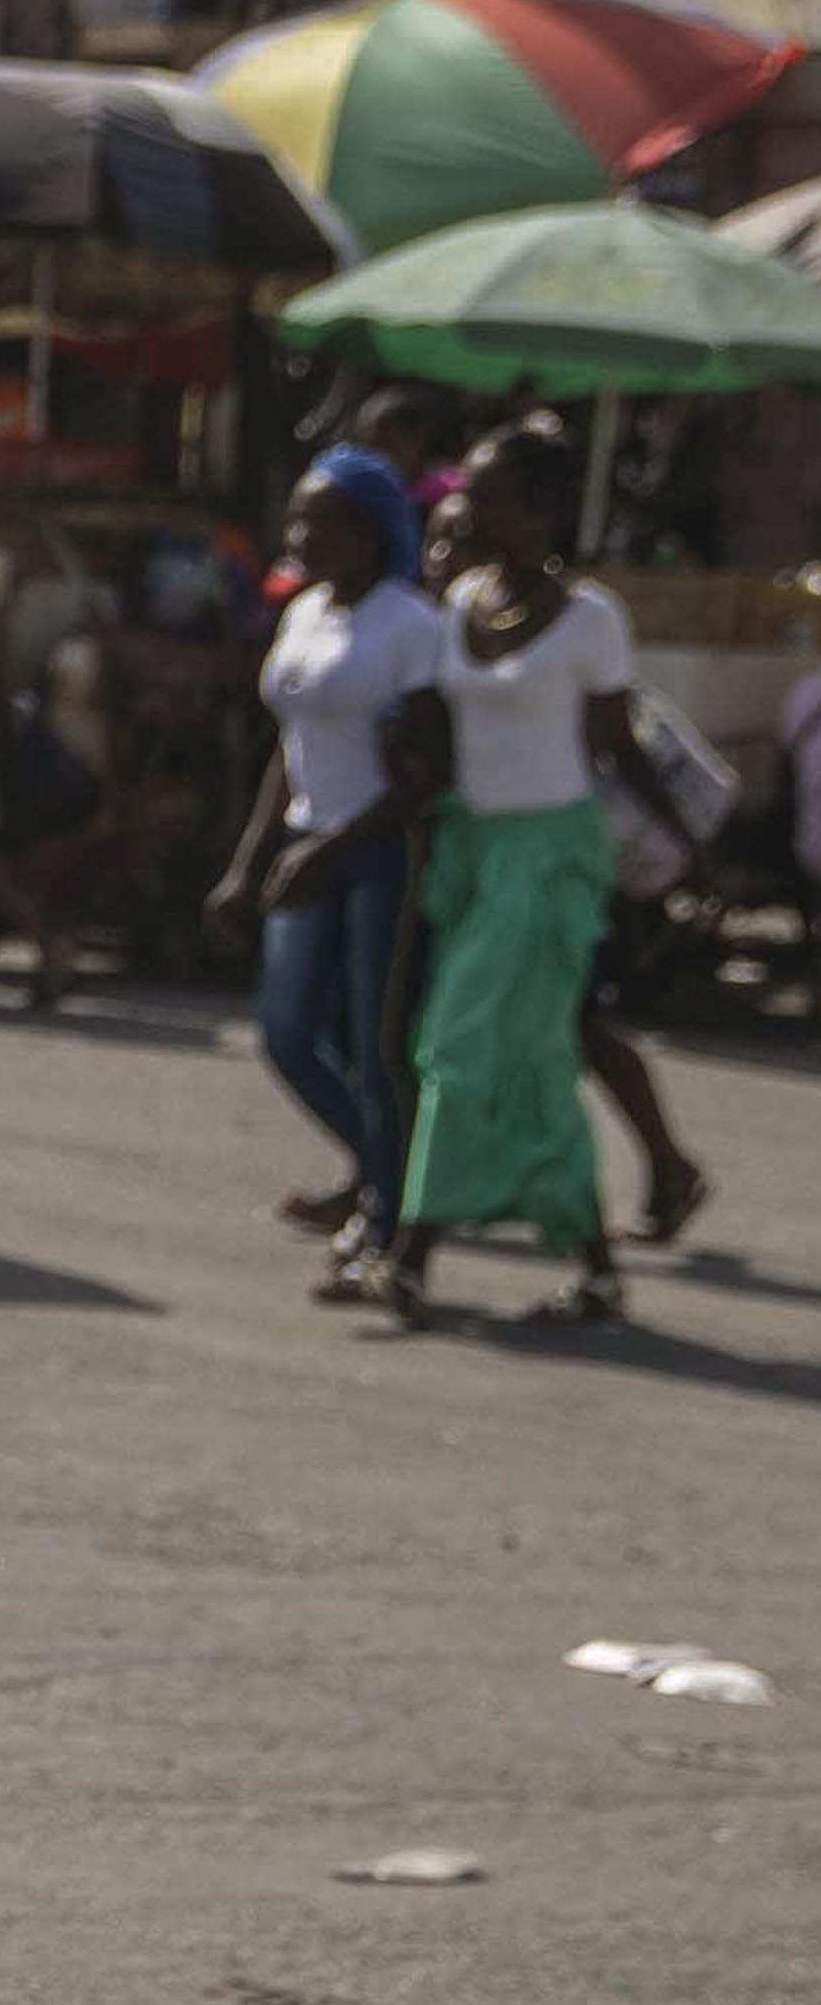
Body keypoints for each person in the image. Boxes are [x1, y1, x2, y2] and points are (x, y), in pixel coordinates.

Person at [384, 427, 640, 1329]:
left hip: (551, 857)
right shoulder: (458, 604)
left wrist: (691, 856)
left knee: (453, 1045)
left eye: (487, 492)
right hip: (473, 853)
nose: (468, 504)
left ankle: (411, 1250)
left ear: (538, 510)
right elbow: (441, 739)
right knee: (533, 1061)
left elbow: (621, 749)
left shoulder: (594, 618)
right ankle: (597, 1265)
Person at [230, 447, 445, 1296]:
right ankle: (381, 1167)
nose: (302, 535)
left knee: (378, 1043)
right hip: (308, 838)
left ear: (369, 531)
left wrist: (335, 847)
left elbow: (426, 770)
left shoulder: (411, 626)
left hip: (381, 853)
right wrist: (250, 860)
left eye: (321, 520)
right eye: (297, 518)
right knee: (287, 1029)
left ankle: (387, 1219)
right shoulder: (305, 614)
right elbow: (289, 753)